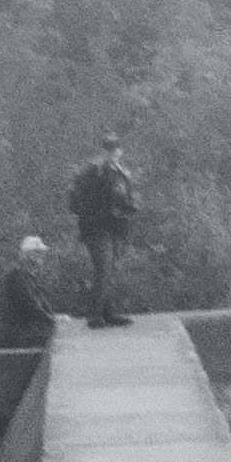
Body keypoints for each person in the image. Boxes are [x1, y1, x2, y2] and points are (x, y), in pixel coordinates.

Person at [64, 138, 143, 325]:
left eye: (116, 148)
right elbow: (81, 199)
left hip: (115, 227)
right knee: (103, 268)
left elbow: (123, 198)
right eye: (109, 148)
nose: (113, 151)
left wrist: (130, 207)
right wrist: (93, 213)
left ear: (121, 150)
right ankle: (94, 314)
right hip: (96, 227)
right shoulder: (95, 170)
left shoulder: (121, 172)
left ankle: (108, 312)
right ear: (103, 150)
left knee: (110, 270)